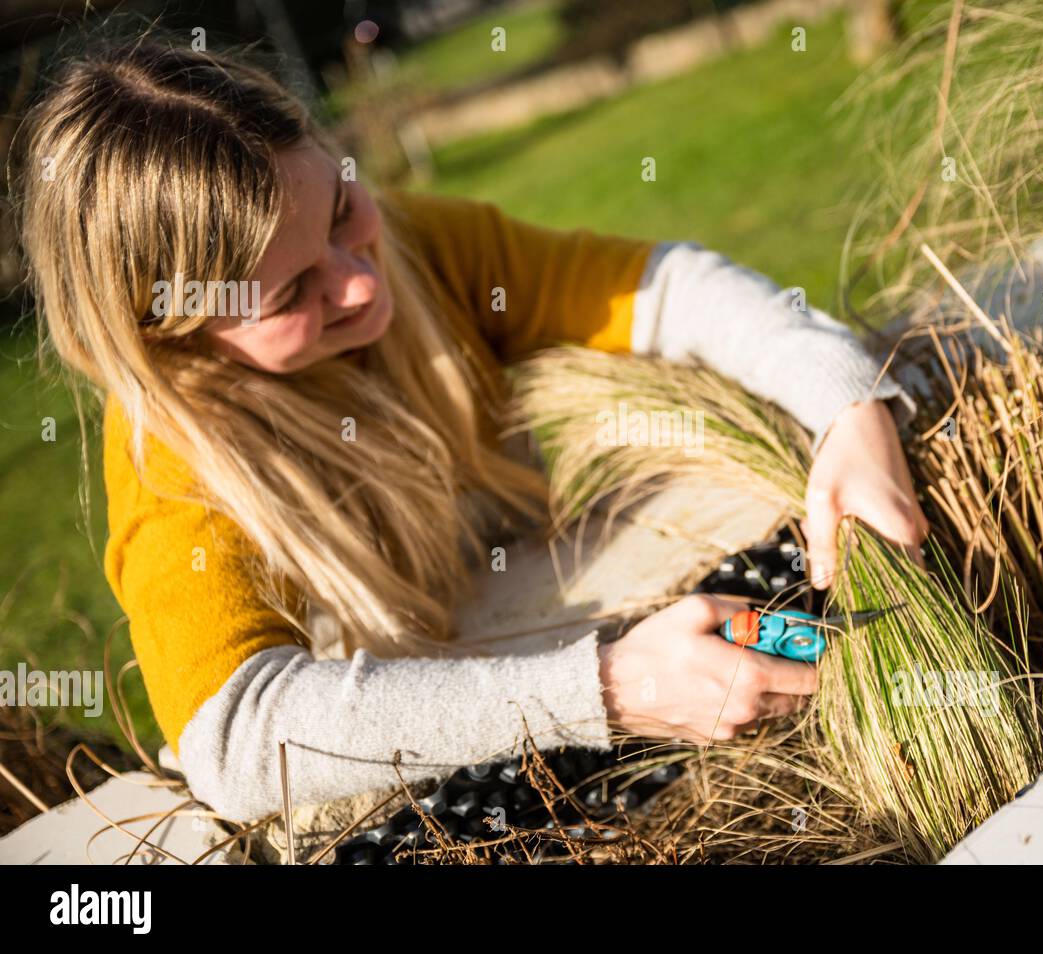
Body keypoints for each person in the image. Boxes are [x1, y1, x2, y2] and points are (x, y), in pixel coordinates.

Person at [13, 38, 926, 822]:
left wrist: (851, 409)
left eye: (342, 209)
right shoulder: (170, 459)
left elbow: (665, 289)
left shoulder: (425, 245)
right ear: (166, 332)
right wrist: (609, 690)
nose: (360, 281)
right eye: (290, 293)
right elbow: (238, 739)